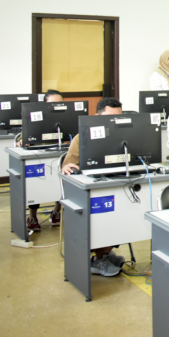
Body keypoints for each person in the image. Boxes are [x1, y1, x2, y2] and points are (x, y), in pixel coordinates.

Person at [60, 97, 125, 277]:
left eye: (117, 117)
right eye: (108, 117)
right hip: (90, 191)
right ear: (97, 116)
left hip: (117, 186)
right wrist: (66, 167)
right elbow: (68, 164)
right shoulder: (83, 137)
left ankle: (104, 253)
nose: (113, 122)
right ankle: (99, 258)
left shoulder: (125, 137)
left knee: (128, 208)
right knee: (108, 211)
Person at [24, 89, 64, 232]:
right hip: (39, 155)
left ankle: (56, 212)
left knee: (62, 182)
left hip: (59, 153)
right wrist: (23, 141)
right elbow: (26, 135)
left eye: (60, 103)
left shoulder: (67, 117)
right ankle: (33, 216)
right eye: (53, 103)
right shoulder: (36, 116)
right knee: (36, 184)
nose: (56, 106)